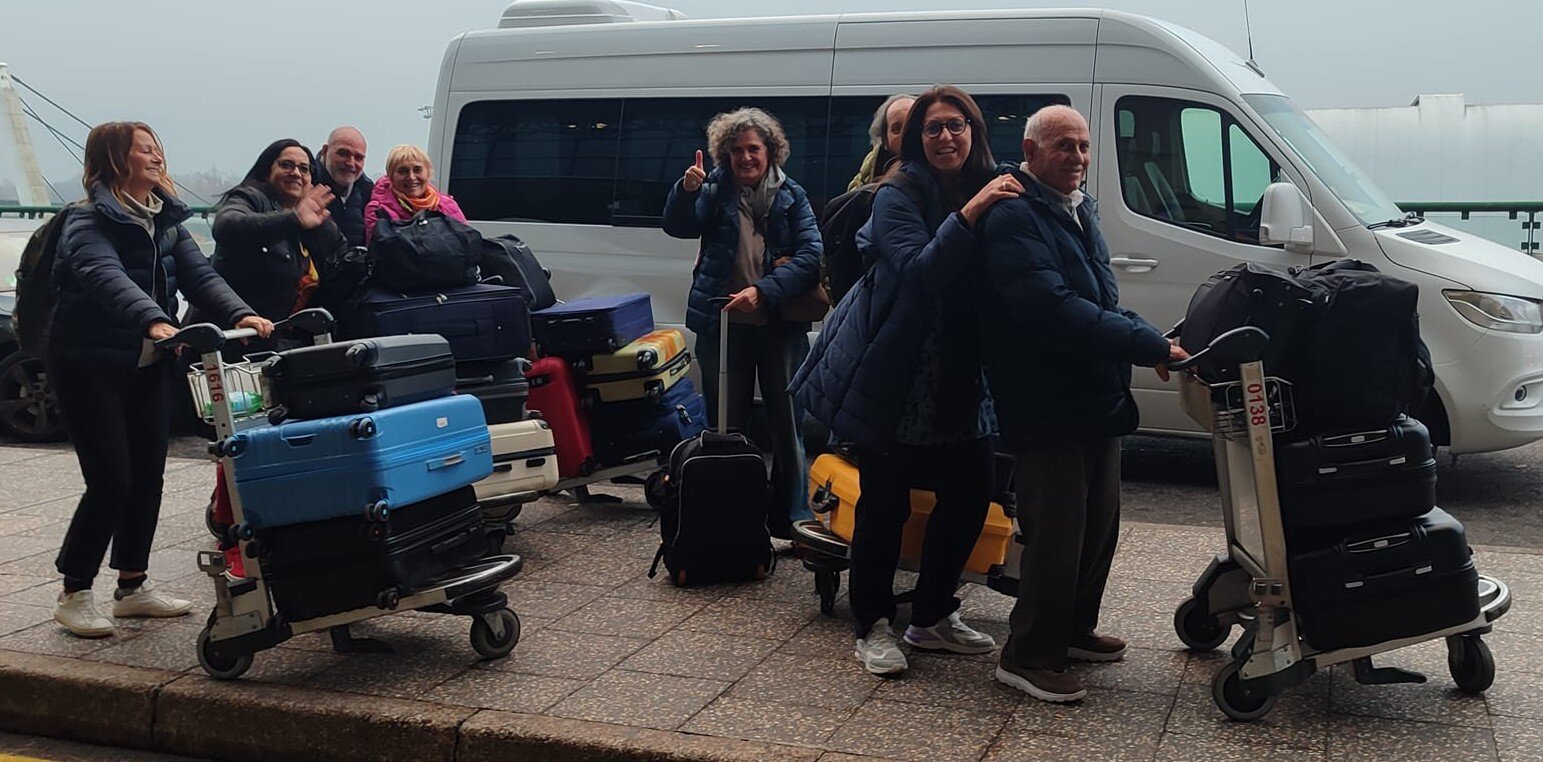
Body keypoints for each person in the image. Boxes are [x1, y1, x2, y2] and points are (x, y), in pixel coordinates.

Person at [793, 85, 1022, 676]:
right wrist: (971, 215)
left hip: (962, 375)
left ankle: (931, 616)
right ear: (916, 138)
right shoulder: (898, 194)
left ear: (975, 131)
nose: (946, 137)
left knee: (970, 497)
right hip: (896, 373)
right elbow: (919, 272)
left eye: (957, 126)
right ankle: (871, 625)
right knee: (884, 506)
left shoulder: (992, 182)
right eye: (932, 128)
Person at [977, 104, 1187, 702]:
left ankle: (1072, 630)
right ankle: (1027, 654)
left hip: (1094, 392)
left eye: (1084, 147)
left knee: (1099, 524)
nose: (1076, 158)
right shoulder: (1013, 216)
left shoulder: (1079, 209)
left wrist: (1154, 340)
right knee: (1057, 531)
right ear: (1032, 149)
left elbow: (1101, 295)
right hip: (1044, 400)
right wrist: (1144, 343)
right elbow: (1053, 309)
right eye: (1063, 146)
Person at [48, 122, 273, 638]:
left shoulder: (166, 221)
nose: (156, 157)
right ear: (114, 160)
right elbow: (105, 275)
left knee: (149, 475)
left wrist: (245, 316)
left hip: (150, 361)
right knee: (111, 479)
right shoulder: (86, 222)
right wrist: (152, 319)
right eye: (144, 150)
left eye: (157, 149)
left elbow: (202, 276)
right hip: (89, 362)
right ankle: (74, 590)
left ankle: (131, 587)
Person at [662, 107, 823, 539]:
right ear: (724, 155)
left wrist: (764, 290)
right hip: (723, 326)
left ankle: (790, 518)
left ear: (771, 152)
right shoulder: (712, 191)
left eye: (754, 148)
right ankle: (731, 514)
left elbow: (811, 257)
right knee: (723, 425)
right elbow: (678, 226)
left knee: (787, 426)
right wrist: (684, 191)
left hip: (777, 326)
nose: (745, 158)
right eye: (736, 151)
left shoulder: (792, 195)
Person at [205, 139, 349, 351]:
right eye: (286, 165)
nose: (296, 173)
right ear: (267, 171)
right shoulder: (250, 198)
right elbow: (226, 226)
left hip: (286, 338)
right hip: (238, 339)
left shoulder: (312, 212)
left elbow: (339, 254)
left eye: (304, 169)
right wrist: (294, 219)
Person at [362, 144, 466, 244]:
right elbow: (379, 252)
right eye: (403, 171)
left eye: (417, 170)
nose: (411, 177)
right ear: (391, 177)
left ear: (428, 173)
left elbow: (466, 242)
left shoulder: (447, 204)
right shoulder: (378, 210)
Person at [313, 126, 373, 248]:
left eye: (358, 158)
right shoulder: (306, 185)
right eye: (343, 154)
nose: (351, 163)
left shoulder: (368, 191)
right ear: (325, 151)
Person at [848, 93, 916, 191]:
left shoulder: (940, 164)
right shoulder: (871, 168)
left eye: (911, 126)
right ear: (885, 140)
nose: (905, 134)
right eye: (897, 129)